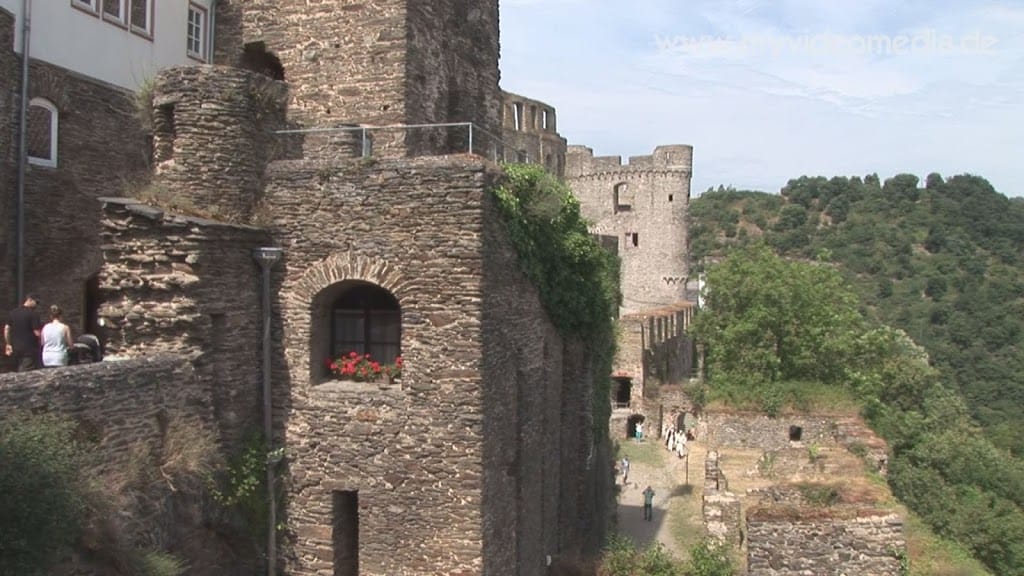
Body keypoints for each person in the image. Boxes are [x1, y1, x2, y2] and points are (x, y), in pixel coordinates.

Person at [4, 294, 42, 372]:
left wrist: (8, 344)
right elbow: (37, 333)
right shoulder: (33, 314)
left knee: (17, 369)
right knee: (27, 372)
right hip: (29, 349)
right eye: (36, 302)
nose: (37, 305)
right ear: (30, 300)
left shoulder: (13, 312)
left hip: (15, 348)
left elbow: (6, 329)